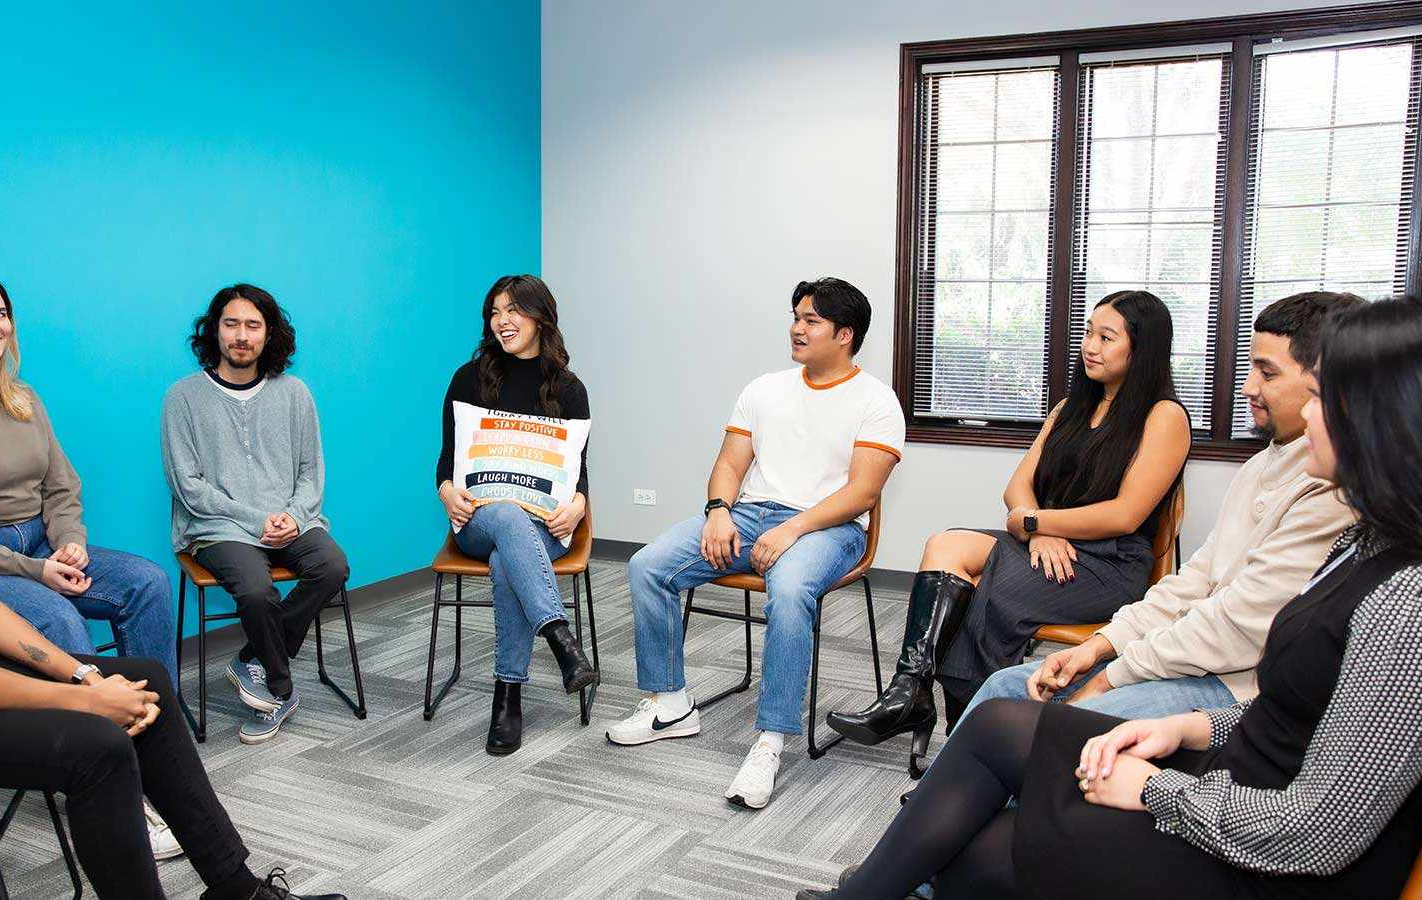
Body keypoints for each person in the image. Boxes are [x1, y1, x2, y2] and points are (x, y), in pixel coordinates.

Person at [796, 294, 1422, 900]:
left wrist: (1139, 735)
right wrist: (1118, 662)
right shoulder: (1350, 527)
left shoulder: (1409, 592)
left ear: (1382, 416)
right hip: (1232, 752)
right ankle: (922, 828)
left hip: (1249, 811)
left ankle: (922, 848)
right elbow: (1268, 678)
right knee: (1004, 693)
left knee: (1005, 763)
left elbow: (1315, 812)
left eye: (1316, 393)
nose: (1263, 394)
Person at [0, 297, 345, 900]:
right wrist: (85, 701)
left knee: (145, 680)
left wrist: (86, 675)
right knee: (99, 746)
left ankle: (239, 891)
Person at [826, 290, 1190, 771]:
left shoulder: (1164, 416)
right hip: (1048, 547)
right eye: (1088, 333)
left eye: (1107, 337)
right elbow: (1018, 487)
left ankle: (967, 742)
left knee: (977, 594)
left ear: (1142, 349)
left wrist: (1037, 522)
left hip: (1108, 562)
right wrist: (1038, 530)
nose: (1090, 346)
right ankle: (912, 691)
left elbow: (1125, 514)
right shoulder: (1070, 408)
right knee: (945, 545)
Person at [958, 292, 1361, 723]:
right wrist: (1100, 646)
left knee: (1052, 722)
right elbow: (1196, 580)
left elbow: (1237, 627)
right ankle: (923, 706)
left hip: (1235, 680)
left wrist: (1113, 673)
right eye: (1089, 333)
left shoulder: (1332, 491)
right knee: (1002, 686)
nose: (1247, 387)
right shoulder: (1259, 465)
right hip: (1180, 650)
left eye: (1268, 373)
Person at [607, 277, 904, 809]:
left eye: (811, 320)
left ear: (845, 334)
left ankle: (770, 741)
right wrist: (718, 511)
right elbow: (728, 464)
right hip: (747, 516)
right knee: (648, 565)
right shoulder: (764, 389)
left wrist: (792, 529)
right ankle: (671, 704)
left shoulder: (877, 401)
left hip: (829, 528)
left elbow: (862, 492)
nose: (797, 328)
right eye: (796, 317)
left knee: (789, 590)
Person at [0, 271, 185, 858]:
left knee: (147, 582)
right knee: (59, 621)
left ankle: (155, 744)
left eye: (1, 313)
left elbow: (61, 484)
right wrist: (34, 572)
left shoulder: (23, 398)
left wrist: (69, 541)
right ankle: (111, 776)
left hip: (44, 543)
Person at [161, 284, 348, 745]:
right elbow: (188, 486)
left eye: (252, 325)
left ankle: (252, 658)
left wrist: (294, 516)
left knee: (332, 566)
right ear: (215, 331)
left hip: (290, 520)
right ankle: (281, 690)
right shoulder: (183, 397)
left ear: (268, 334)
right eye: (231, 324)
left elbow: (311, 472)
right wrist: (254, 520)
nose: (241, 335)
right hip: (217, 526)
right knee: (256, 590)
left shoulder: (295, 393)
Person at [436, 274, 597, 755]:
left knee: (508, 562)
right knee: (506, 516)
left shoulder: (569, 388)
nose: (501, 321)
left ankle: (507, 698)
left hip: (543, 526)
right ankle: (559, 635)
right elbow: (446, 460)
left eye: (513, 310)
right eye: (495, 312)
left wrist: (578, 507)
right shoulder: (468, 379)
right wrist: (447, 492)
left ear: (540, 317)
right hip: (478, 522)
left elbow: (578, 472)